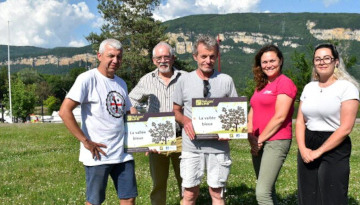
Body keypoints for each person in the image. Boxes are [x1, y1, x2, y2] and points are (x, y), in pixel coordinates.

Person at [59, 39, 137, 205]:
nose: (115, 61)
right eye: (111, 56)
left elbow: (130, 112)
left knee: (129, 198)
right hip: (98, 154)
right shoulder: (87, 79)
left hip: (122, 153)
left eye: (119, 57)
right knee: (94, 201)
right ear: (99, 56)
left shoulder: (121, 83)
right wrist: (85, 141)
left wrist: (148, 138)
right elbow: (64, 111)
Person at [173, 34, 238, 205]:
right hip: (191, 146)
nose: (208, 60)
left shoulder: (226, 81)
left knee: (217, 194)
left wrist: (230, 131)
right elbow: (176, 111)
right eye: (203, 56)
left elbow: (235, 114)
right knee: (189, 194)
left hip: (218, 148)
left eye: (212, 57)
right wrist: (186, 121)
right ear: (195, 56)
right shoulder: (183, 80)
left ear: (216, 57)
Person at [296, 43, 359, 205]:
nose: (322, 62)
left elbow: (346, 128)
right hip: (308, 143)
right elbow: (300, 122)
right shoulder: (309, 88)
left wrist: (319, 152)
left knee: (333, 197)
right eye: (318, 59)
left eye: (326, 58)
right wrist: (303, 149)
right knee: (308, 197)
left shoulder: (347, 88)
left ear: (336, 61)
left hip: (334, 145)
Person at [128, 42, 186, 205]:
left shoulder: (186, 78)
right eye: (158, 58)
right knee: (158, 184)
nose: (162, 61)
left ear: (173, 58)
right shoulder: (147, 80)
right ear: (154, 61)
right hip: (156, 140)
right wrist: (138, 122)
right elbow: (129, 100)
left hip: (181, 137)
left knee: (186, 182)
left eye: (166, 57)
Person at [247, 44, 297, 205]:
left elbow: (280, 117)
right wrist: (251, 138)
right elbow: (252, 111)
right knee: (268, 191)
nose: (268, 65)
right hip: (258, 141)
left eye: (272, 61)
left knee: (262, 193)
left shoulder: (284, 83)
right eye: (264, 62)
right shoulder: (261, 85)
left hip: (276, 141)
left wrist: (259, 139)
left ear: (281, 61)